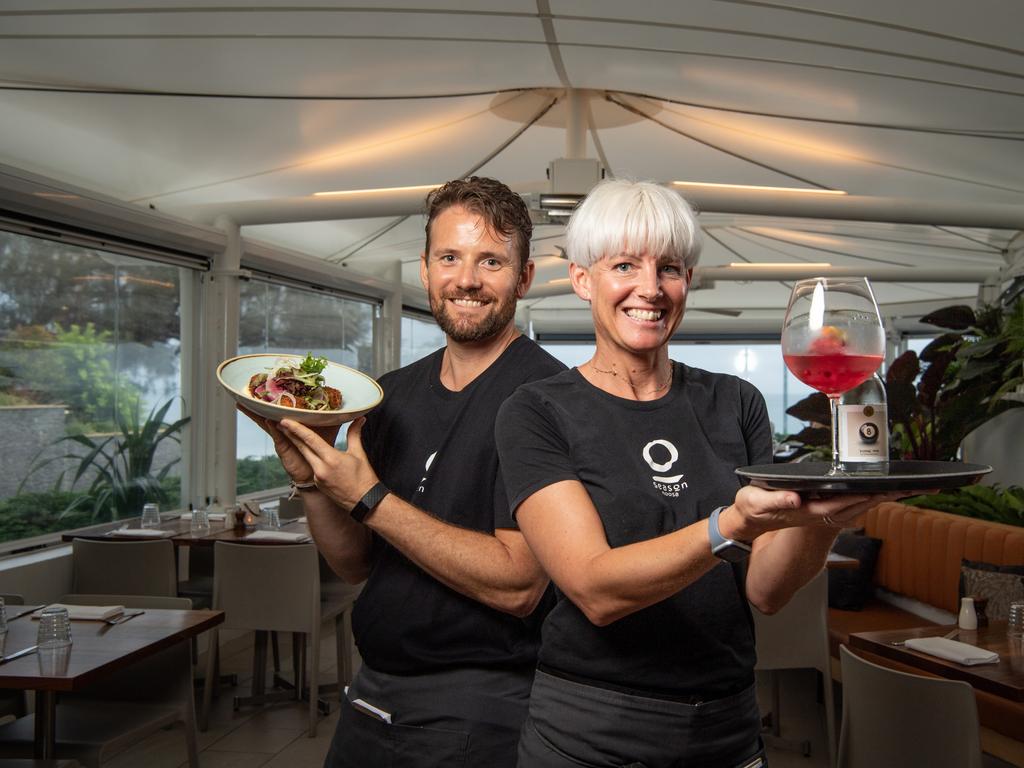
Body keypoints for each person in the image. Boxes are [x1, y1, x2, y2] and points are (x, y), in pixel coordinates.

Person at [495, 179, 904, 768]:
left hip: (728, 724)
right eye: (624, 265)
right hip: (594, 731)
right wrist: (729, 524)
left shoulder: (734, 401)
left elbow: (765, 591)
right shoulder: (538, 410)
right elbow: (595, 590)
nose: (651, 289)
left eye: (670, 267)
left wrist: (824, 519)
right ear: (582, 279)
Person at [242, 177, 565, 767]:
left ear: (523, 278)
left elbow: (519, 585)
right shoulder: (387, 396)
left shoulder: (549, 398)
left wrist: (369, 497)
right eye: (449, 257)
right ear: (424, 269)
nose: (465, 279)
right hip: (373, 693)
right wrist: (312, 479)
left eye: (490, 260)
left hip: (480, 702)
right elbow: (355, 562)